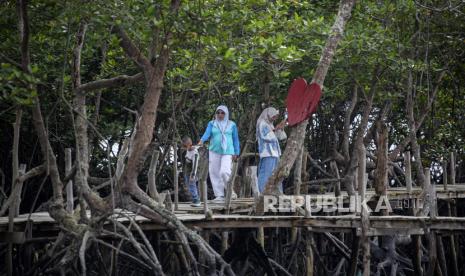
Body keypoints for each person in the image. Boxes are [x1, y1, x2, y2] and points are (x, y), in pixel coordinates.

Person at [198, 105, 240, 202]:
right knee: (214, 172)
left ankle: (231, 192)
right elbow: (207, 133)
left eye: (222, 113)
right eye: (218, 112)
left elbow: (235, 139)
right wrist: (202, 140)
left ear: (226, 114)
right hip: (214, 150)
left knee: (224, 171)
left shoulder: (231, 124)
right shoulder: (212, 123)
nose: (220, 115)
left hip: (228, 151)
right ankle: (219, 195)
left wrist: (236, 152)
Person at [256, 107, 287, 193]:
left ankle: (277, 193)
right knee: (266, 173)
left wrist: (280, 128)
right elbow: (265, 137)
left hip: (275, 153)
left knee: (277, 174)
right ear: (268, 115)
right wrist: (276, 129)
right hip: (267, 153)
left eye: (276, 117)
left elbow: (280, 137)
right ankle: (262, 192)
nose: (274, 118)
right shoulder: (262, 123)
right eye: (274, 116)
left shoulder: (270, 125)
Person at [181, 136, 201, 207]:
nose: (184, 148)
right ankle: (194, 198)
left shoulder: (195, 153)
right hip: (187, 171)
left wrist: (193, 175)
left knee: (192, 184)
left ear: (189, 144)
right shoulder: (188, 149)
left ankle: (196, 200)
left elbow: (195, 165)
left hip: (193, 171)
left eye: (185, 146)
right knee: (189, 185)